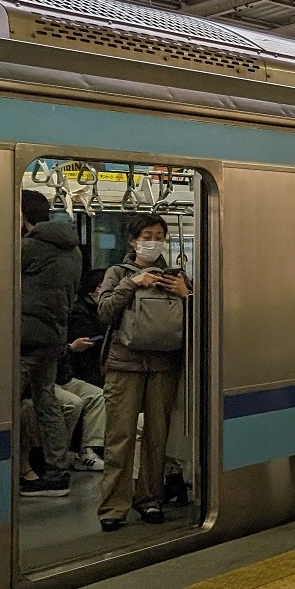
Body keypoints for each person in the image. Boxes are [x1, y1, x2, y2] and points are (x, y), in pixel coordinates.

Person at [95, 214, 191, 531]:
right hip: (124, 364)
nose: (153, 241)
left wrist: (186, 295)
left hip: (164, 365)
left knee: (156, 438)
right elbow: (104, 311)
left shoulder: (176, 276)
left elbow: (197, 322)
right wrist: (131, 283)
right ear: (133, 241)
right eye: (147, 235)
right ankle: (113, 506)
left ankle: (150, 499)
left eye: (159, 235)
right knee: (119, 437)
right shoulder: (118, 272)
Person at [18, 191, 81, 498]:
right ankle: (56, 470)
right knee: (47, 400)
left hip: (26, 337)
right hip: (54, 334)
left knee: (5, 402)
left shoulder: (29, 247)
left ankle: (12, 466)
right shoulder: (73, 249)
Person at [54, 266, 108, 473]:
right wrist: (70, 348)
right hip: (59, 375)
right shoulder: (77, 311)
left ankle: (89, 449)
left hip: (64, 375)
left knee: (97, 395)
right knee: (73, 403)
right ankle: (61, 455)